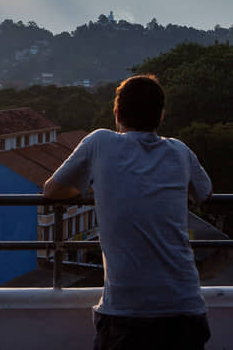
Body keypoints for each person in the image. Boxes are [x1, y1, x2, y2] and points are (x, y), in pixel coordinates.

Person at [44, 74, 213, 350]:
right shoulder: (180, 151)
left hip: (126, 315)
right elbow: (204, 193)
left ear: (118, 112)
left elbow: (52, 190)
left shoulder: (99, 142)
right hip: (185, 309)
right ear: (160, 116)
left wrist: (92, 187)